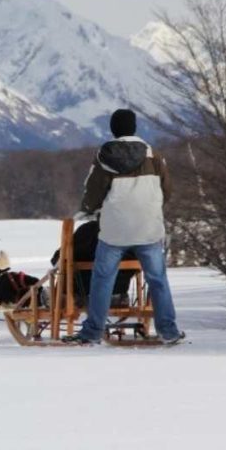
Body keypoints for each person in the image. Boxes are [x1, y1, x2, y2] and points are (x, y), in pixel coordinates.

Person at [63, 109, 185, 345]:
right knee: (157, 279)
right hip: (148, 228)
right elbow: (167, 190)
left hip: (114, 231)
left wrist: (90, 208)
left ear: (113, 129)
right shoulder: (153, 155)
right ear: (134, 127)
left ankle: (93, 332)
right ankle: (168, 331)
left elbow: (92, 195)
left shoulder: (104, 156)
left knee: (102, 279)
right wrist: (150, 207)